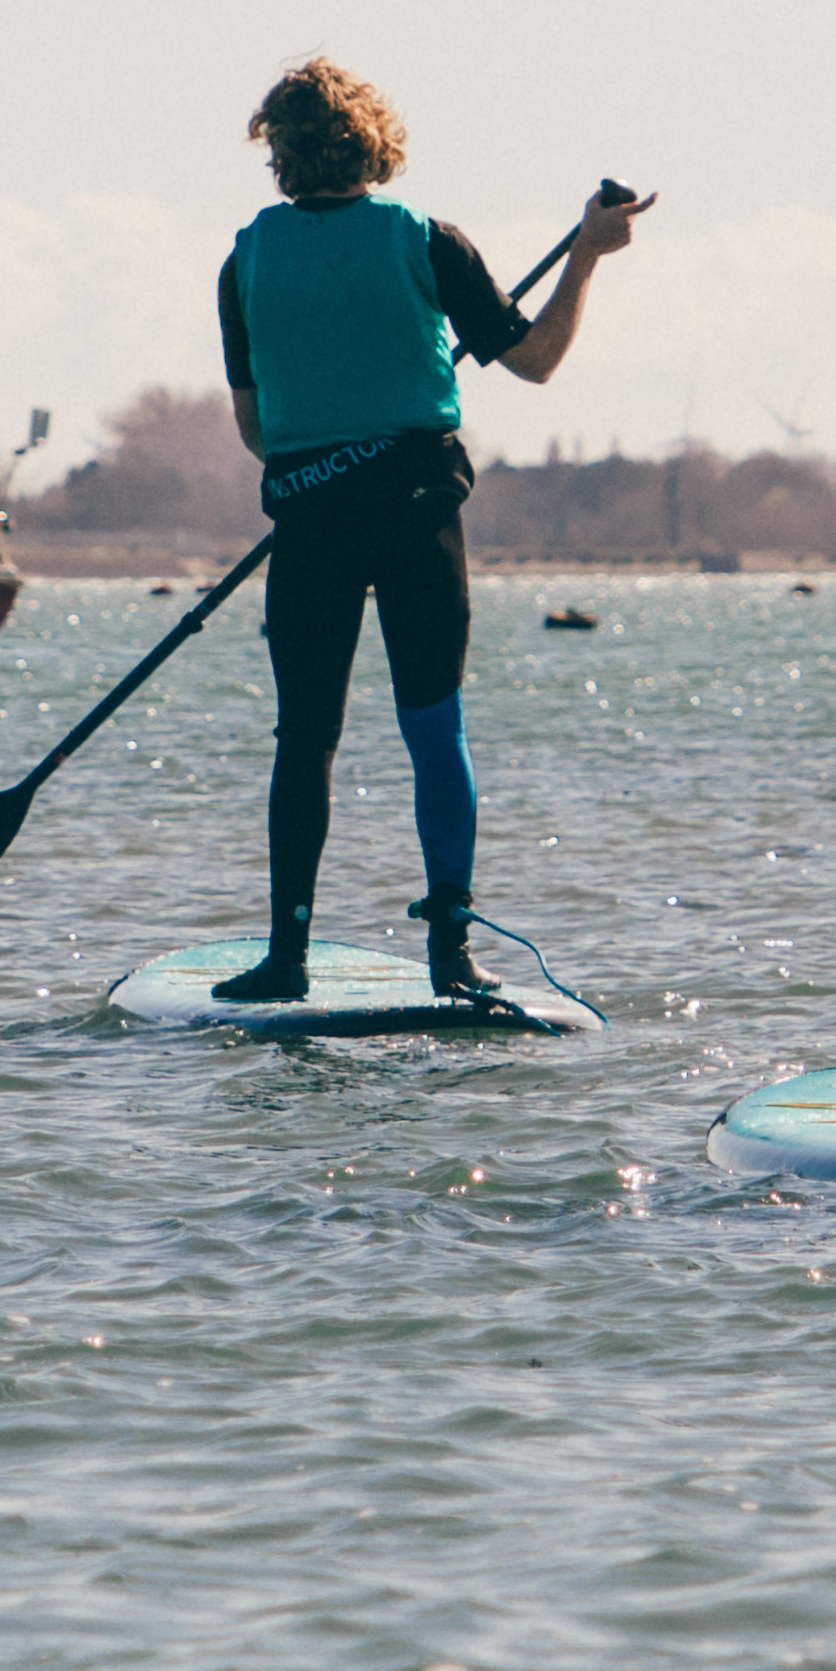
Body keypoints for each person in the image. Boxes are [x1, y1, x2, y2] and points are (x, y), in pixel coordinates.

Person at [210, 60, 639, 1004]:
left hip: (313, 523)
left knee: (305, 739)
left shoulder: (243, 262)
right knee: (432, 731)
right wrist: (588, 252)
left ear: (276, 154)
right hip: (415, 519)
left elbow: (257, 431)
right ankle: (452, 952)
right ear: (373, 142)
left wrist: (332, 421)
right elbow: (536, 360)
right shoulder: (427, 240)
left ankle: (287, 957)